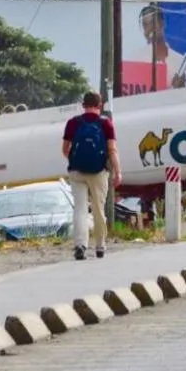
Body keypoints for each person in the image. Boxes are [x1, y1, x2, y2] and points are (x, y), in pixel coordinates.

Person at [61, 91, 121, 260]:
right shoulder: (106, 123)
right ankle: (100, 246)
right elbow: (112, 150)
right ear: (100, 105)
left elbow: (65, 149)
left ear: (83, 105)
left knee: (80, 209)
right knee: (98, 209)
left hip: (76, 171)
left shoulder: (73, 123)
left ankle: (80, 245)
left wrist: (75, 159)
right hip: (99, 172)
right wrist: (118, 172)